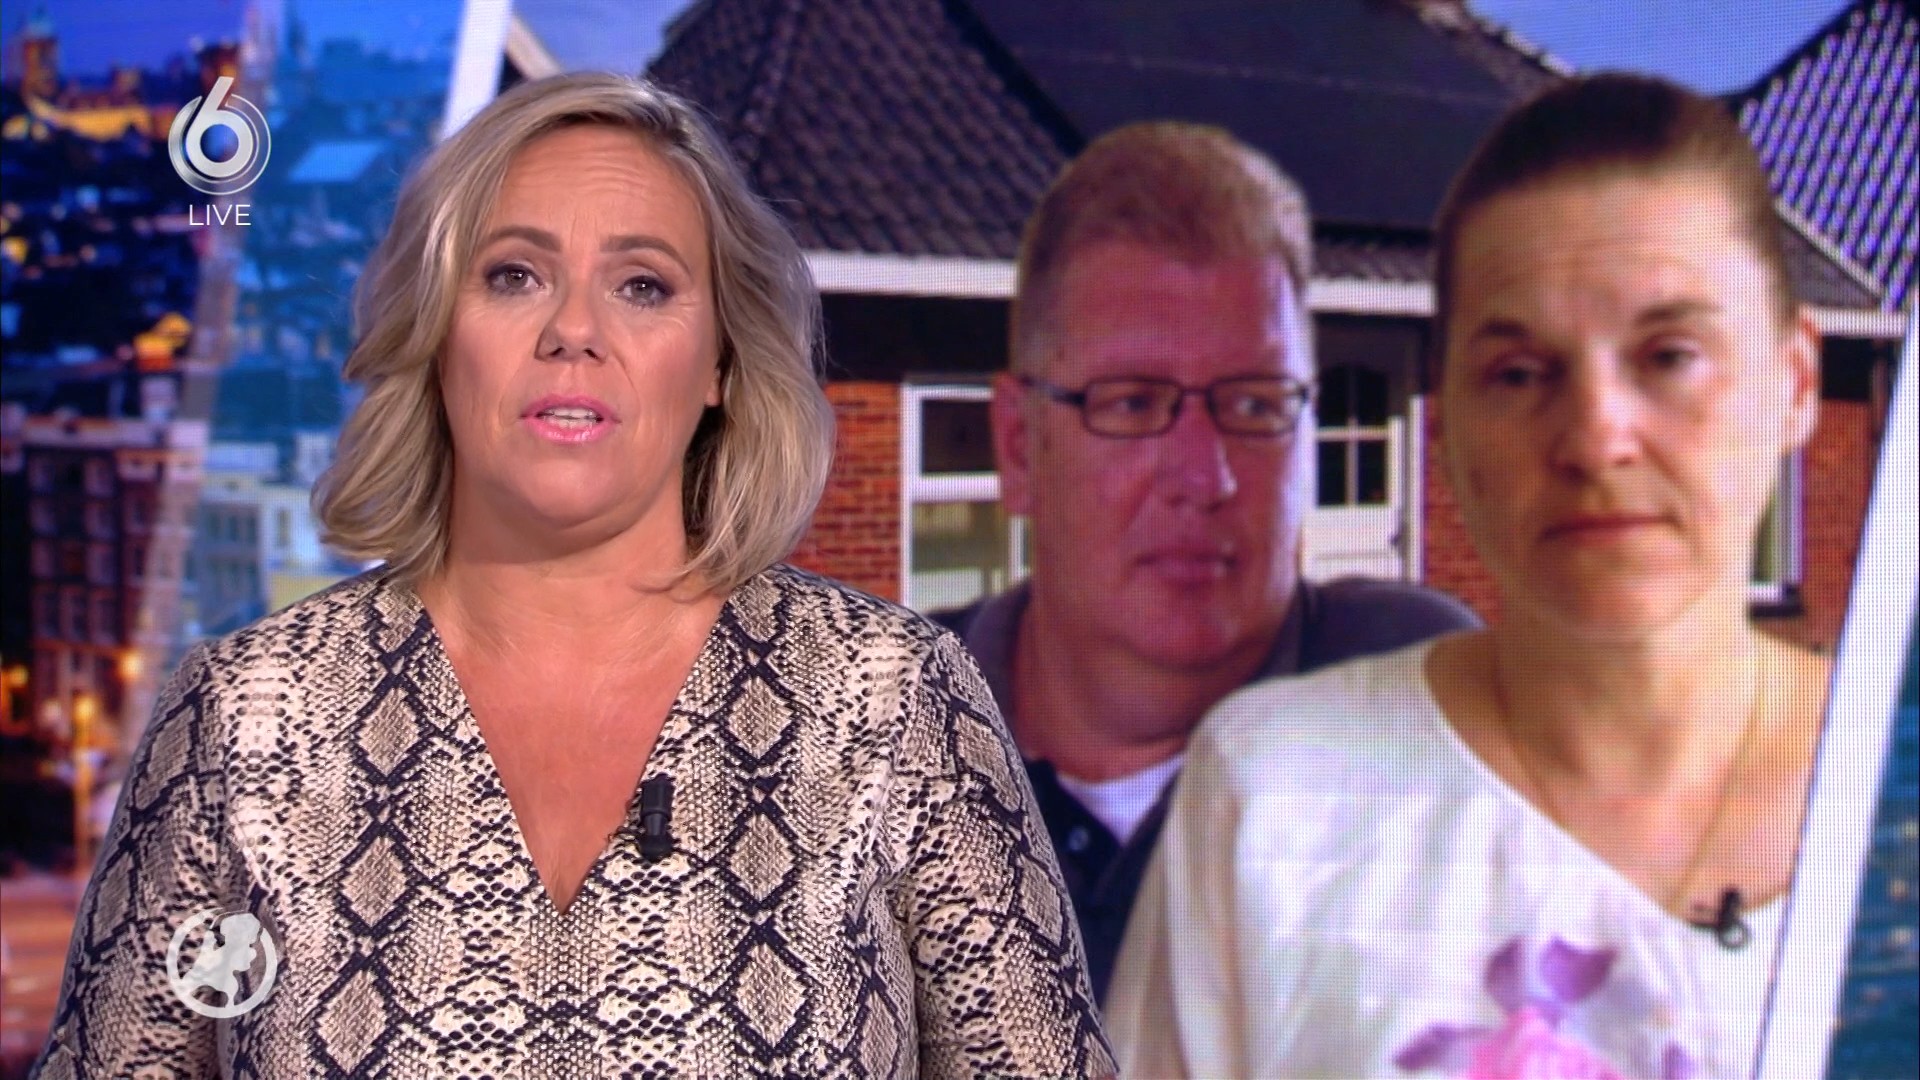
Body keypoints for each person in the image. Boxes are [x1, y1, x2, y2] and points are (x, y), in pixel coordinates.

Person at [35, 73, 1113, 1079]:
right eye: (514, 275)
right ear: (436, 335)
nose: (574, 332)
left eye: (643, 285)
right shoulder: (247, 717)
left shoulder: (891, 699)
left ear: (721, 363)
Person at [1109, 73, 1831, 1079]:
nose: (1595, 439)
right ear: (1446, 425)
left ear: (1795, 383)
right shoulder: (1276, 798)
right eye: (1519, 374)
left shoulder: (1892, 782)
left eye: (1669, 355)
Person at [931, 121, 1480, 1001]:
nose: (1205, 477)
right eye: (1132, 403)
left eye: (1255, 405)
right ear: (1019, 447)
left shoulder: (1428, 703)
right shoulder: (850, 750)